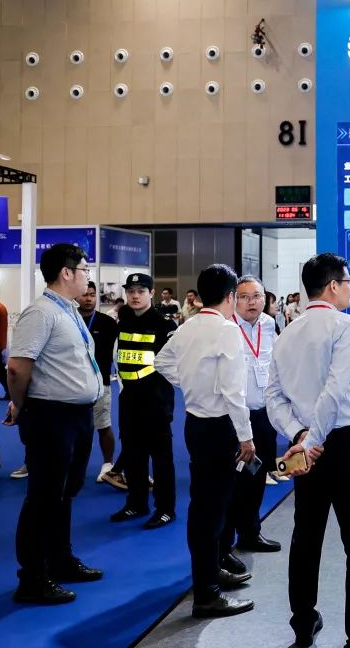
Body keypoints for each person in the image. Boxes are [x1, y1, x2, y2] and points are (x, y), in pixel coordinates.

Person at [267, 253, 350, 648]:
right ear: (333, 285)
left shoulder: (286, 332)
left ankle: (302, 623)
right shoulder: (345, 325)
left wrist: (300, 436)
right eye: (347, 283)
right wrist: (313, 439)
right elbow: (335, 390)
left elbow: (274, 397)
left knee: (306, 538)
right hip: (343, 443)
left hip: (304, 447)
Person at [155, 264, 256, 618]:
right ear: (230, 296)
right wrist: (246, 436)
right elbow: (233, 391)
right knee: (212, 511)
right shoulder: (227, 330)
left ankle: (210, 574)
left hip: (195, 424)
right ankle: (207, 593)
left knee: (204, 506)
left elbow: (161, 362)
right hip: (220, 428)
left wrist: (190, 383)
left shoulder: (188, 326)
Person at [6, 243, 105, 604]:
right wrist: (21, 405)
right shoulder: (41, 312)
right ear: (66, 273)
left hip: (76, 416)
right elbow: (17, 367)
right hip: (50, 416)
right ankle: (32, 578)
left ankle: (60, 559)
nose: (88, 277)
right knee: (44, 497)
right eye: (85, 270)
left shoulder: (69, 311)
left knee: (65, 493)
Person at [219, 275, 282, 562]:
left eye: (256, 296)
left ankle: (250, 532)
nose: (251, 302)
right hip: (234, 418)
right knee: (233, 480)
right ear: (234, 299)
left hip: (264, 414)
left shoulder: (269, 324)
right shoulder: (226, 327)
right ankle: (225, 544)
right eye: (244, 297)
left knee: (258, 475)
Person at [110, 273, 178, 529]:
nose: (135, 296)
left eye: (140, 291)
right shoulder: (123, 320)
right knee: (132, 454)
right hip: (129, 398)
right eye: (131, 291)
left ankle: (165, 508)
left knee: (161, 458)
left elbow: (172, 364)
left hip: (156, 399)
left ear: (151, 293)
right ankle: (136, 502)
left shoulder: (164, 325)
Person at [76, 281, 123, 485]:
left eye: (92, 295)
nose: (88, 299)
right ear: (77, 296)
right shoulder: (69, 320)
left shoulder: (108, 323)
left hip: (100, 383)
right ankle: (73, 465)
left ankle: (108, 464)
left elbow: (118, 354)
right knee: (74, 428)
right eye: (85, 294)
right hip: (71, 384)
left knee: (103, 425)